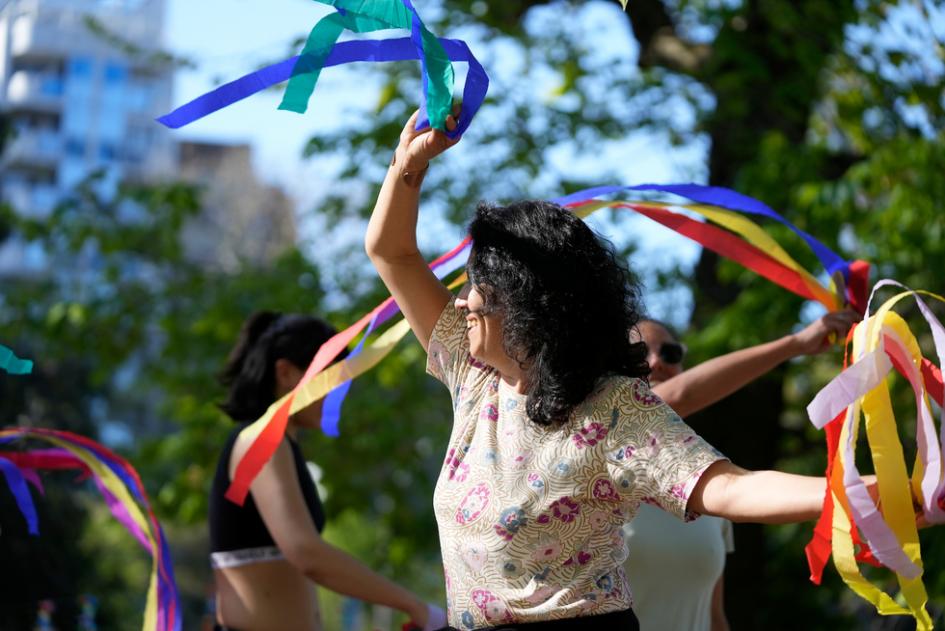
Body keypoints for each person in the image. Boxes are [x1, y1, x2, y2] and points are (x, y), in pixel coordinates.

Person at [364, 108, 879, 630]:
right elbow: (391, 253)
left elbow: (729, 488)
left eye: (477, 288)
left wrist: (874, 493)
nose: (460, 303)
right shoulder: (474, 377)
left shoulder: (613, 409)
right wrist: (408, 166)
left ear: (523, 309)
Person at [209, 311, 445, 631]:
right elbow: (306, 553)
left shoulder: (281, 446)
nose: (338, 395)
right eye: (329, 379)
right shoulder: (261, 442)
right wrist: (414, 606)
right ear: (286, 372)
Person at [624, 313, 857, 631]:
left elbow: (714, 616)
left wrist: (885, 492)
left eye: (670, 353)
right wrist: (795, 344)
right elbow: (679, 396)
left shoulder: (707, 475)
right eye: (638, 355)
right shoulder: (591, 452)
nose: (656, 362)